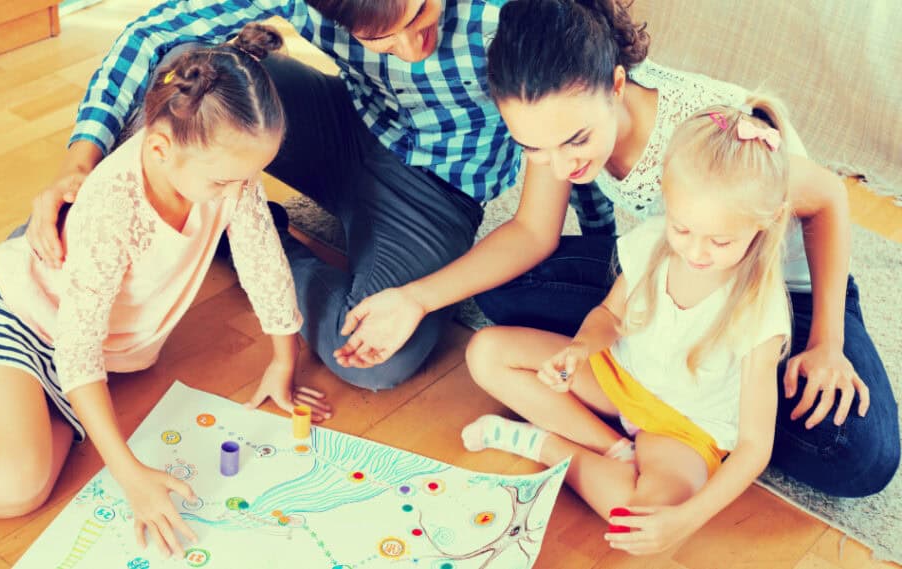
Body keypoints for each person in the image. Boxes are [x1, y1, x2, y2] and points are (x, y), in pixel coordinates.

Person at [334, 0, 897, 497]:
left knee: (860, 457)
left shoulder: (704, 135)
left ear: (619, 86)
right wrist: (414, 299)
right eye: (534, 148)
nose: (561, 165)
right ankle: (632, 426)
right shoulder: (560, 118)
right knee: (500, 292)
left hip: (772, 292)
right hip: (666, 277)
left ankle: (697, 410)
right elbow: (533, 232)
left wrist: (827, 342)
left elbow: (826, 197)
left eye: (575, 141)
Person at [0, 0, 537, 390]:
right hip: (342, 120)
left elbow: (565, 157)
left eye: (423, 16)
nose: (412, 50)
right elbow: (152, 35)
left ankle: (245, 237)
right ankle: (15, 289)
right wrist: (81, 160)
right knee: (186, 75)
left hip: (436, 184)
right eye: (380, 39)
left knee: (375, 363)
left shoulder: (520, 14)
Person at [0, 27, 330, 557]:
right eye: (225, 182)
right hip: (9, 311)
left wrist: (284, 358)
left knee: (22, 490)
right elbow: (77, 347)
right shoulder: (112, 207)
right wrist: (131, 474)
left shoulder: (226, 175)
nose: (242, 191)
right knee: (17, 482)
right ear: (160, 147)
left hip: (74, 341)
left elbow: (262, 259)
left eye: (250, 176)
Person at [464, 105, 797, 554]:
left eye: (720, 241)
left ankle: (544, 446)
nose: (695, 251)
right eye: (683, 228)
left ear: (767, 222)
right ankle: (613, 448)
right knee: (485, 352)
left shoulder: (760, 307)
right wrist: (579, 349)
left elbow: (756, 446)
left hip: (683, 431)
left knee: (635, 525)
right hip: (617, 377)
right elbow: (610, 315)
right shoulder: (655, 241)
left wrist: (685, 520)